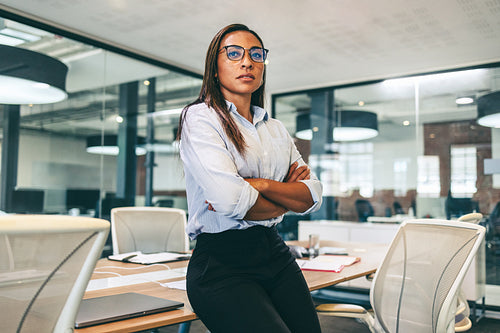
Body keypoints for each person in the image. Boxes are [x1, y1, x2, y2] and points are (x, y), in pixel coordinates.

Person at [177, 23, 323, 333]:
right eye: (234, 53)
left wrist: (262, 186)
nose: (247, 61)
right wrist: (286, 199)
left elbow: (312, 194)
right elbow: (230, 201)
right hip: (221, 264)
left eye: (256, 54)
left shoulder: (275, 129)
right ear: (214, 68)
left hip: (275, 252)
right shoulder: (200, 117)